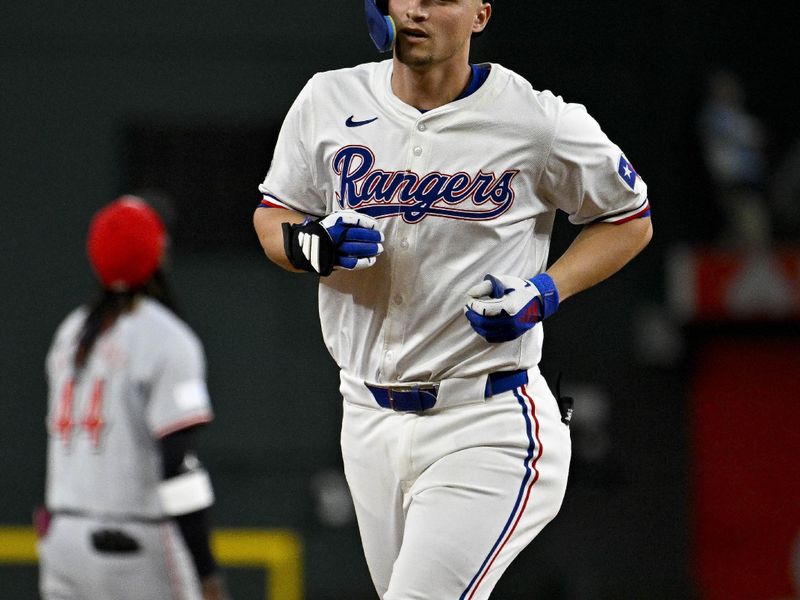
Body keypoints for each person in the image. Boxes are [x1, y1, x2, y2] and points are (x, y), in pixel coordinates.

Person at [252, 1, 653, 597]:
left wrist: (546, 291)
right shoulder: (326, 100)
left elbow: (630, 218)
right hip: (365, 417)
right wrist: (306, 245)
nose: (416, 9)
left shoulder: (533, 121)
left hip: (485, 416)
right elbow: (274, 213)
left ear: (480, 16)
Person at [38, 196, 230, 600]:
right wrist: (206, 569)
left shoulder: (69, 334)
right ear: (158, 253)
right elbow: (178, 466)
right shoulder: (166, 337)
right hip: (133, 544)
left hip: (62, 540)